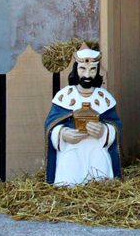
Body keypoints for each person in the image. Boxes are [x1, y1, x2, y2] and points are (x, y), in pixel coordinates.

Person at [44, 44, 122, 186]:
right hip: (71, 150)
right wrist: (63, 134)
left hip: (96, 150)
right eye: (82, 69)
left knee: (100, 178)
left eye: (92, 70)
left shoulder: (105, 99)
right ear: (76, 69)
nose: (87, 75)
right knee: (70, 179)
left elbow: (116, 126)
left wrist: (104, 131)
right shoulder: (64, 97)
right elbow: (51, 125)